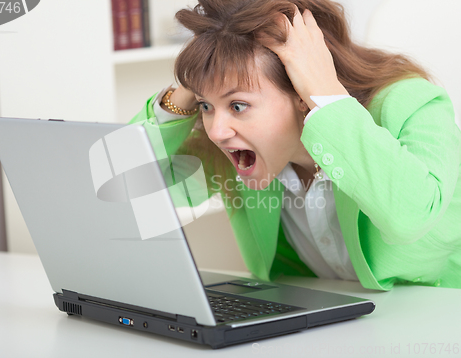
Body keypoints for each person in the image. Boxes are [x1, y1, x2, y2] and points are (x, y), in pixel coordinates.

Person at [128, 0, 461, 290]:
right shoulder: (236, 147)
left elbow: (411, 218)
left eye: (238, 106)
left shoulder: (410, 103)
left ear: (302, 95)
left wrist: (326, 94)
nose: (216, 131)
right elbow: (130, 192)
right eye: (206, 106)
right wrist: (190, 87)